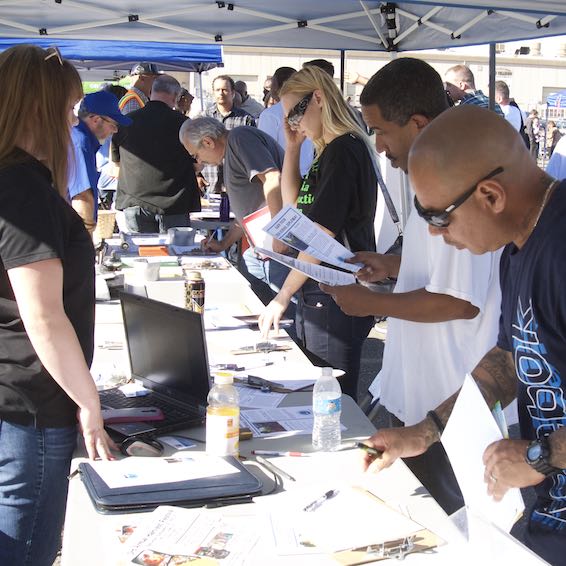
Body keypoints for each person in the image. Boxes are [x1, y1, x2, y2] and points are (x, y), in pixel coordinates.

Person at [362, 104, 566, 565]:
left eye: (438, 218)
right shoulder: (520, 246)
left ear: (490, 195)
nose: (436, 235)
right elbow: (514, 358)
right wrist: (427, 430)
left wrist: (541, 454)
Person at [320, 58, 503, 515]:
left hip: (456, 399)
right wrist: (390, 265)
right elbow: (444, 271)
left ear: (419, 124)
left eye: (381, 130)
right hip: (427, 398)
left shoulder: (457, 179)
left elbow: (460, 300)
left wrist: (369, 303)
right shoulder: (427, 173)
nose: (378, 146)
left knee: (457, 525)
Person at [0, 44, 115, 566]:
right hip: (33, 403)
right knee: (29, 547)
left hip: (20, 394)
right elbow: (43, 315)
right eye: (69, 110)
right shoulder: (21, 186)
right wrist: (88, 402)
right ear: (40, 109)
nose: (74, 124)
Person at [258, 65, 378, 401]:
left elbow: (320, 234)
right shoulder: (329, 151)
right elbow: (294, 210)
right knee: (321, 393)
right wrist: (293, 148)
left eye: (296, 113)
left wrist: (282, 296)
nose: (294, 124)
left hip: (334, 292)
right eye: (288, 119)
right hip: (321, 290)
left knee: (331, 398)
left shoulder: (343, 150)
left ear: (319, 99)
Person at [179, 117, 289, 306]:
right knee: (252, 308)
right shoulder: (231, 152)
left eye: (195, 154)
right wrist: (223, 243)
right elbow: (246, 214)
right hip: (261, 251)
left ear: (208, 142)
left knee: (286, 318)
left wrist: (280, 233)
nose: (198, 160)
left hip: (279, 251)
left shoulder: (240, 138)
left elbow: (272, 179)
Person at [112, 74, 200, 233]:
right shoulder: (185, 125)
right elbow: (197, 164)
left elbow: (116, 166)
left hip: (135, 201)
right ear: (175, 96)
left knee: (140, 255)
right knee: (177, 255)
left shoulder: (125, 122)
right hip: (175, 204)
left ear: (151, 92)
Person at [69, 90, 131, 232]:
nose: (115, 130)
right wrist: (87, 242)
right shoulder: (81, 142)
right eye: (113, 124)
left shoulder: (82, 140)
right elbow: (82, 197)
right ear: (96, 119)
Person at [200, 75, 256, 194]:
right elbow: (193, 149)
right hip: (209, 184)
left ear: (233, 93)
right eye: (217, 90)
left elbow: (252, 152)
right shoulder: (202, 119)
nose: (221, 93)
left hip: (237, 185)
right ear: (213, 92)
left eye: (225, 90)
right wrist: (196, 174)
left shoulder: (246, 120)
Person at [258, 66, 314, 177]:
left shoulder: (270, 114)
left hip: (283, 176)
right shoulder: (311, 109)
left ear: (279, 86)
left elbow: (265, 152)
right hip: (307, 176)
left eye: (272, 85)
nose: (270, 90)